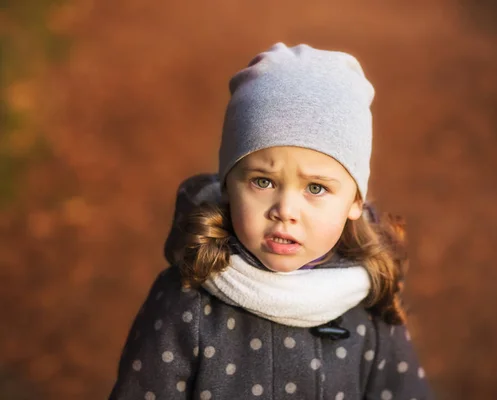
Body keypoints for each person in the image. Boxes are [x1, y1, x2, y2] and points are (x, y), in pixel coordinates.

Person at [109, 42, 434, 400]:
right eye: (263, 182)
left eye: (316, 187)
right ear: (228, 186)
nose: (286, 210)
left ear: (355, 200)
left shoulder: (368, 304)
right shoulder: (188, 298)